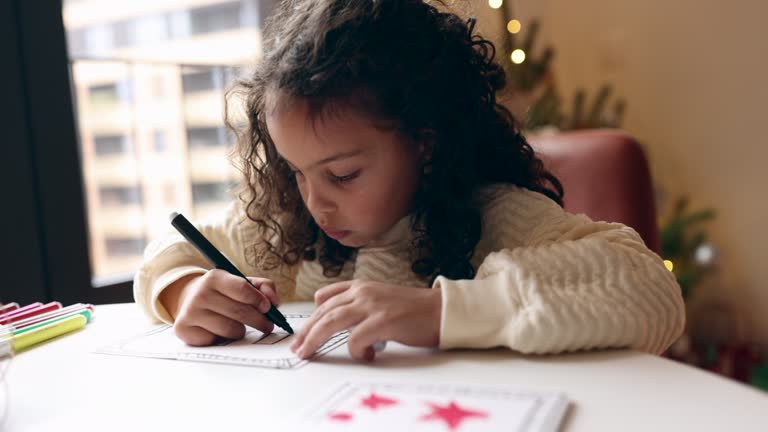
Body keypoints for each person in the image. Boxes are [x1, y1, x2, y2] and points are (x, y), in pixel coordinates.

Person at [133, 0, 685, 362]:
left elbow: (651, 290)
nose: (315, 202)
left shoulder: (493, 217)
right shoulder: (286, 228)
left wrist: (443, 311)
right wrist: (182, 291)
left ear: (425, 142)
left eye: (343, 174)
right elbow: (173, 249)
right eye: (296, 172)